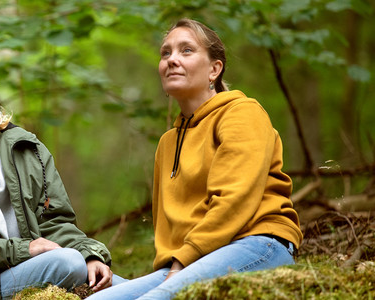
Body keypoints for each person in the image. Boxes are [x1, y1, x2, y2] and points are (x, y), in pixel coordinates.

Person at [88, 19, 303, 300]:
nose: (172, 59)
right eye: (166, 53)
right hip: (191, 261)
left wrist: (180, 265)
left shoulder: (241, 113)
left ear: (215, 69)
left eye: (186, 50)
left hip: (258, 244)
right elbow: (167, 228)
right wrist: (170, 268)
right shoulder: (167, 143)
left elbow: (233, 202)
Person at [0, 26, 125, 300]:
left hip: (48, 265)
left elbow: (55, 222)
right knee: (68, 264)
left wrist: (89, 254)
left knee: (147, 286)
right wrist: (27, 250)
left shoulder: (23, 145)